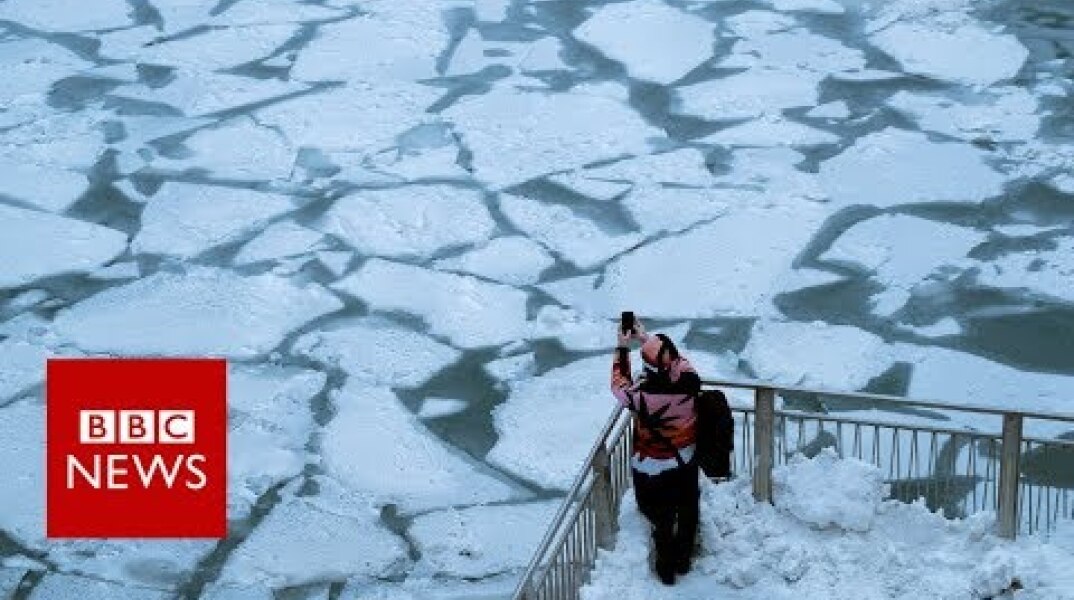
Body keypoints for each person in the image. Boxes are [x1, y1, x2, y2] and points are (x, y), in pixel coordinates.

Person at [611, 317, 701, 586]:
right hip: (684, 459)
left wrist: (623, 348)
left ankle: (666, 569)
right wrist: (647, 340)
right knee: (688, 511)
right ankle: (683, 560)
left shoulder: (641, 397)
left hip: (651, 467)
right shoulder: (690, 383)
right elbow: (678, 362)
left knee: (661, 519)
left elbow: (619, 385)